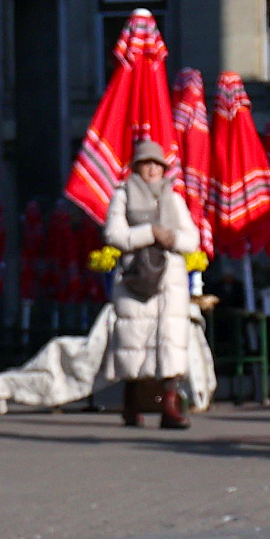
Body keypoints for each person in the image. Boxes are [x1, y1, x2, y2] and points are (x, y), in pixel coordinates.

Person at [101, 133, 205, 431]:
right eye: (146, 164)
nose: (152, 170)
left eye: (157, 165)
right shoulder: (122, 195)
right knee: (134, 344)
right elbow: (114, 234)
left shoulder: (173, 198)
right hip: (136, 279)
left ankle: (169, 405)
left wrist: (169, 237)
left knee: (170, 343)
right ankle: (132, 402)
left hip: (169, 283)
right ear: (137, 167)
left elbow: (191, 239)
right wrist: (150, 233)